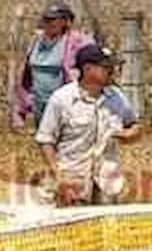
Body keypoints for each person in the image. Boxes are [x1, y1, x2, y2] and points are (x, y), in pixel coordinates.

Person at [35, 43, 142, 206]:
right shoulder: (62, 99)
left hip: (107, 182)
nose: (112, 72)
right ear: (87, 69)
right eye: (106, 68)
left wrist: (131, 135)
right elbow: (45, 140)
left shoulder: (117, 98)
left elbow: (134, 125)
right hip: (72, 181)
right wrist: (58, 176)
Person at [11, 1, 93, 130]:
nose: (48, 23)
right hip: (40, 106)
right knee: (45, 144)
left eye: (53, 19)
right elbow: (26, 80)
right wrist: (20, 112)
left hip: (67, 107)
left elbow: (93, 69)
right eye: (46, 19)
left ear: (65, 21)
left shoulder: (78, 42)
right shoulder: (36, 42)